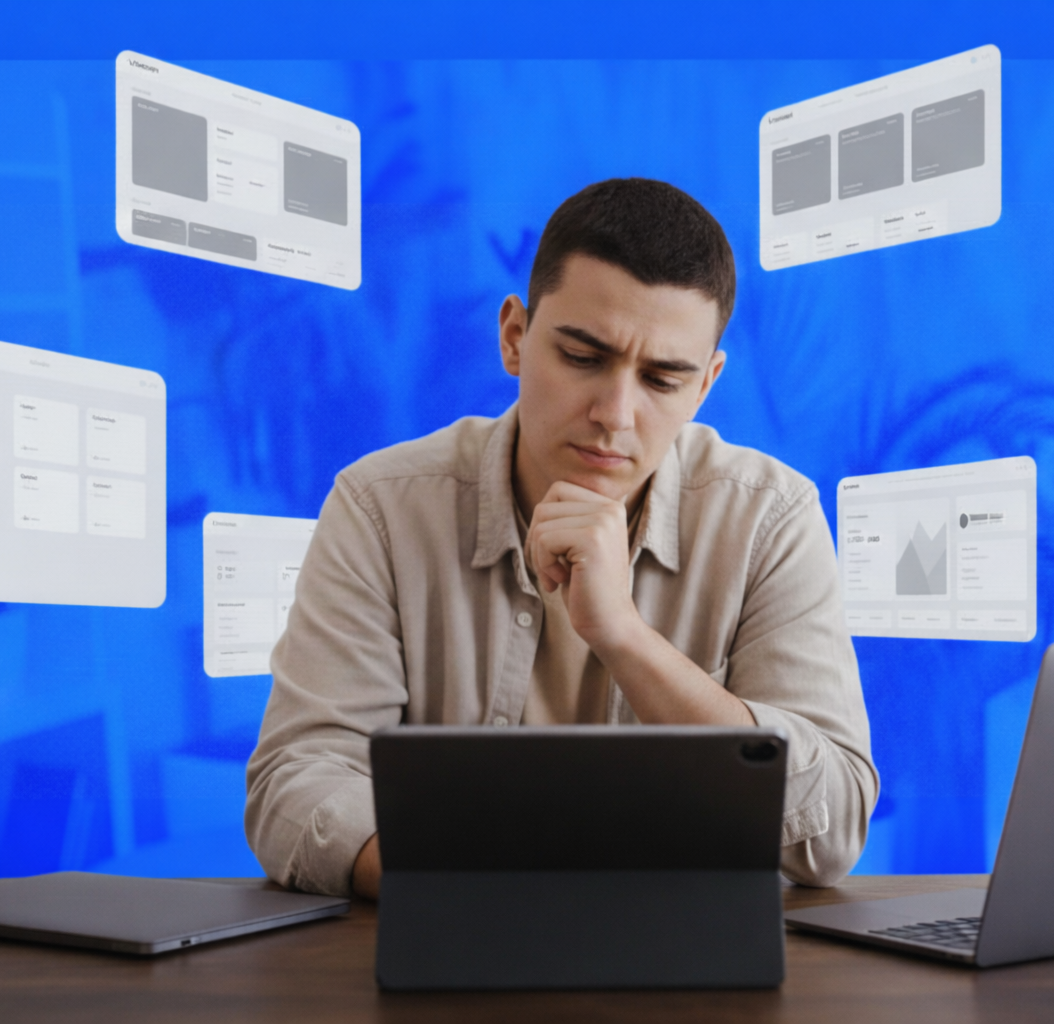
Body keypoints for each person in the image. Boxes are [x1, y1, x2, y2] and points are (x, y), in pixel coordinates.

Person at [246, 177, 878, 899]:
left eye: (663, 380)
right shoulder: (380, 507)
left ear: (705, 387)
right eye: (583, 357)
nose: (615, 414)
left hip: (695, 976)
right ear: (515, 336)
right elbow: (297, 781)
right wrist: (479, 892)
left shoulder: (771, 516)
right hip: (450, 941)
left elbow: (830, 831)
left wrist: (625, 636)